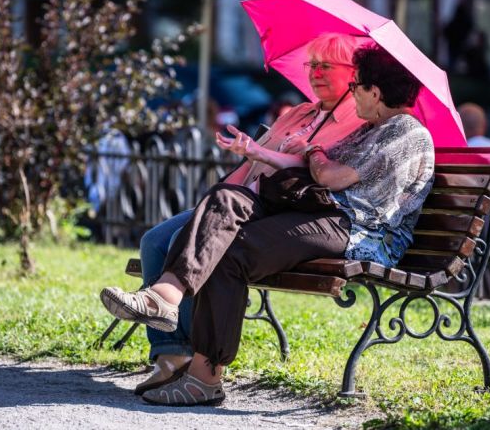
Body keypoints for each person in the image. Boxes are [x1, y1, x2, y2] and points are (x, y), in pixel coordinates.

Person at [100, 43, 435, 406]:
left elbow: (332, 176)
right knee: (226, 199)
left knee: (234, 252)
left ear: (376, 91)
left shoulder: (405, 131)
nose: (352, 92)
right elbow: (315, 171)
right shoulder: (373, 128)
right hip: (322, 214)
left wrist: (312, 151)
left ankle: (204, 378)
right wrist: (264, 154)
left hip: (358, 231)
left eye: (357, 86)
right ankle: (165, 296)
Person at [129, 33, 365, 396]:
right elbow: (254, 159)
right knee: (154, 241)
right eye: (312, 65)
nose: (315, 73)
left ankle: (187, 348)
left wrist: (285, 155)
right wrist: (227, 181)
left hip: (274, 210)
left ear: (353, 73)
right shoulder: (302, 111)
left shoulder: (356, 120)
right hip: (240, 198)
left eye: (326, 66)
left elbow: (321, 173)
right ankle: (170, 354)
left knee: (181, 241)